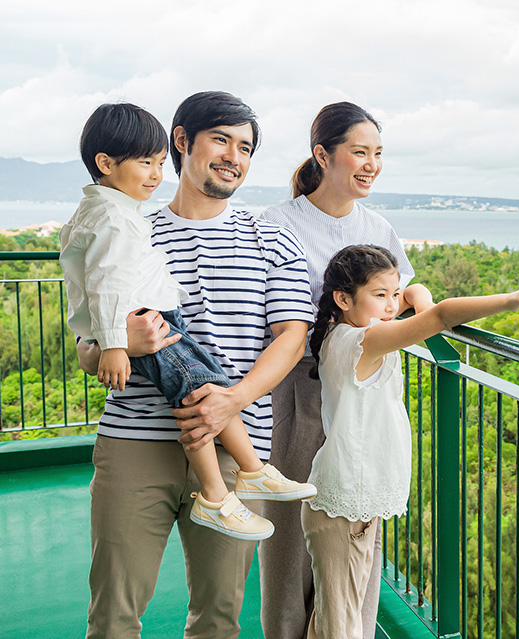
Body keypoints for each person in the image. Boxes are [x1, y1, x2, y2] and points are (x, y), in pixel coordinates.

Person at [77, 91, 314, 639]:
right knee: (113, 613)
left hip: (235, 447)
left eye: (246, 147)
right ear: (181, 142)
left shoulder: (272, 237)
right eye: (221, 140)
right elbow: (91, 348)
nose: (234, 155)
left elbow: (291, 337)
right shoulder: (129, 229)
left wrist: (233, 398)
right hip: (136, 442)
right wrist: (124, 343)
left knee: (219, 618)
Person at [303, 244, 519, 639]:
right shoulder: (362, 341)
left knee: (336, 622)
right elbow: (439, 315)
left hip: (351, 502)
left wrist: (415, 297)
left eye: (391, 294)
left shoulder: (346, 331)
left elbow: (414, 293)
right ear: (343, 299)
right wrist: (510, 300)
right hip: (343, 508)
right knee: (340, 628)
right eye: (379, 296)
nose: (390, 305)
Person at [258, 102, 416, 639]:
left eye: (377, 154)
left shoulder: (378, 226)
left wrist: (419, 295)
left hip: (360, 398)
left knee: (355, 539)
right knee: (288, 539)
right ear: (322, 155)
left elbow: (405, 287)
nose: (370, 164)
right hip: (299, 389)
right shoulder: (277, 225)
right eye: (359, 152)